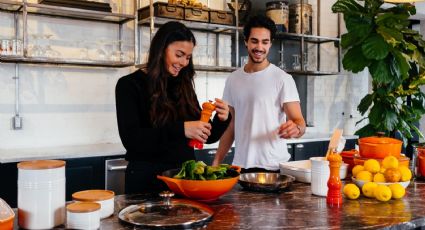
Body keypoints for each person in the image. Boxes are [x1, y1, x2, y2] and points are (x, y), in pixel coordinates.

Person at [115, 21, 231, 194]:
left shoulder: (184, 85)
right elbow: (132, 140)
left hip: (183, 180)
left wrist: (222, 119)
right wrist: (182, 129)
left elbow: (205, 137)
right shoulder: (129, 85)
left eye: (188, 57)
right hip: (146, 180)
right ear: (161, 49)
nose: (184, 62)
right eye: (179, 54)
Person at [212, 15, 306, 173]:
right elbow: (230, 125)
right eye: (254, 41)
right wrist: (216, 161)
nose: (259, 47)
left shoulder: (282, 79)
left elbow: (300, 122)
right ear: (246, 42)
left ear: (270, 44)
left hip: (274, 167)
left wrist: (296, 129)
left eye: (265, 42)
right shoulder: (233, 79)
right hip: (241, 167)